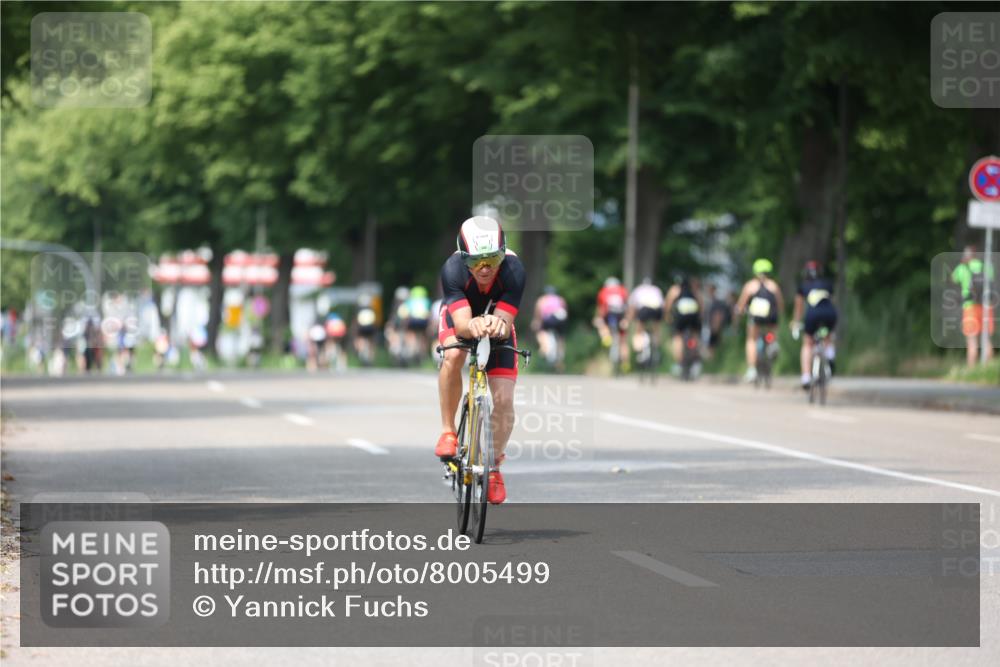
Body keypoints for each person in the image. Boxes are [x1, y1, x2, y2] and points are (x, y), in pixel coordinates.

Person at [435, 216, 525, 505]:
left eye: (492, 259)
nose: (485, 269)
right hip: (461, 317)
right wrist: (472, 326)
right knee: (454, 353)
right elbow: (461, 324)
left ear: (503, 254)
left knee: (504, 399)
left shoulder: (513, 270)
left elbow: (504, 319)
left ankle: (495, 466)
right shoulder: (452, 270)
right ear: (464, 259)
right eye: (476, 262)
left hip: (495, 320)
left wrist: (496, 324)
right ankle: (449, 431)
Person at [734, 258, 784, 382]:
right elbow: (780, 304)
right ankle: (773, 343)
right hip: (771, 317)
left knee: (751, 339)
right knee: (773, 330)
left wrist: (739, 314)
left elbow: (740, 305)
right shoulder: (773, 285)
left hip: (755, 317)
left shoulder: (750, 285)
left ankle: (752, 369)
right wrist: (780, 314)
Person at [791, 260, 838, 389]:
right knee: (828, 335)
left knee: (807, 343)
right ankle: (830, 353)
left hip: (813, 314)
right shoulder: (827, 284)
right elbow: (832, 301)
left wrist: (796, 322)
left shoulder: (803, 286)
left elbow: (799, 307)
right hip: (830, 313)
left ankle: (806, 377)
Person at [951, 245, 996, 366]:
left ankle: (971, 372)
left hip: (970, 307)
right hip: (986, 306)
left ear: (966, 256)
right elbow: (991, 281)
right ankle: (988, 371)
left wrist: (962, 264)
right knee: (986, 340)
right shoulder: (986, 266)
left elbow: (953, 279)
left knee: (972, 342)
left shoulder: (962, 267)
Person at [664, 273, 702, 368]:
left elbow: (668, 303)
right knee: (694, 335)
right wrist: (700, 316)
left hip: (681, 314)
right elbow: (701, 303)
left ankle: (679, 363)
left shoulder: (675, 289)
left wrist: (667, 316)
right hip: (693, 314)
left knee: (677, 337)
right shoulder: (693, 290)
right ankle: (695, 361)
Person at [628, 277, 665, 366]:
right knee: (656, 329)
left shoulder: (638, 289)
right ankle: (656, 348)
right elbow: (663, 304)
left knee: (639, 330)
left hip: (644, 309)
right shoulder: (656, 289)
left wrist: (631, 318)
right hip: (657, 309)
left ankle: (639, 351)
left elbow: (633, 306)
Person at [531, 285, 568, 371]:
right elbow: (565, 311)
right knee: (561, 337)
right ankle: (560, 355)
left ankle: (544, 347)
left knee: (541, 331)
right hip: (561, 317)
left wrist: (536, 322)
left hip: (550, 318)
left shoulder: (542, 299)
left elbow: (538, 313)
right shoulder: (560, 299)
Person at [593, 276, 629, 364]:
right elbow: (627, 306)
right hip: (621, 315)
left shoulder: (603, 291)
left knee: (599, 322)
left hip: (609, 313)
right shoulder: (623, 290)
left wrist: (598, 318)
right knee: (623, 340)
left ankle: (606, 337)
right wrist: (626, 319)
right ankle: (625, 363)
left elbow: (601, 308)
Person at [705, 284, 732, 358]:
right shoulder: (712, 300)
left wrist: (715, 326)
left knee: (712, 345)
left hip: (715, 327)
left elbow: (718, 315)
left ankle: (713, 360)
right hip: (712, 326)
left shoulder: (716, 301)